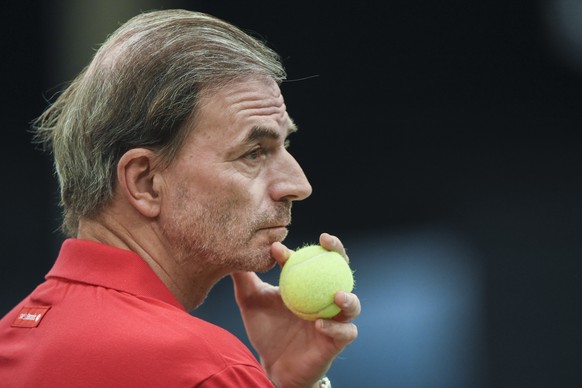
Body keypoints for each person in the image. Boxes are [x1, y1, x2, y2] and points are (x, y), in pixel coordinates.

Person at [0, 9, 360, 387]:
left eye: (285, 144)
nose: (298, 184)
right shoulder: (207, 368)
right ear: (146, 183)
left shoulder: (10, 337)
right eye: (254, 152)